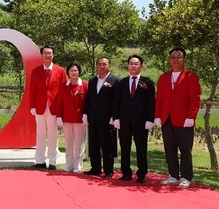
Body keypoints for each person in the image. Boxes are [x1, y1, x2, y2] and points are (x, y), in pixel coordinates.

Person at [154, 48, 201, 188]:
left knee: (185, 149)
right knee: (170, 148)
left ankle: (186, 177)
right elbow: (160, 99)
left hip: (184, 120)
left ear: (183, 59)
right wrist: (157, 116)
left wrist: (191, 116)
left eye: (179, 57)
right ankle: (173, 175)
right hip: (167, 118)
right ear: (170, 59)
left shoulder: (190, 76)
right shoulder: (163, 78)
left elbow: (195, 99)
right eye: (173, 57)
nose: (176, 59)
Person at [112, 55, 156, 183]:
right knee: (125, 147)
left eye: (136, 64)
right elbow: (116, 102)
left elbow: (151, 103)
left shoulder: (147, 82)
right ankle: (126, 173)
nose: (133, 66)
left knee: (141, 148)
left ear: (141, 66)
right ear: (127, 65)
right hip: (124, 121)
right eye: (131, 63)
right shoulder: (122, 82)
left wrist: (150, 119)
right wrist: (116, 118)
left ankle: (141, 174)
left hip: (141, 121)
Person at [29, 45, 67, 169]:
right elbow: (32, 90)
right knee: (40, 134)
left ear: (53, 55)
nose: (47, 55)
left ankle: (52, 161)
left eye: (49, 53)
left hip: (53, 107)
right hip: (39, 106)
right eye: (45, 53)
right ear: (41, 55)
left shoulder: (60, 71)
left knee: (53, 134)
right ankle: (39, 160)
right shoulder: (36, 71)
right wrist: (32, 106)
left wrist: (61, 109)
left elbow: (63, 91)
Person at [83, 57, 121, 178]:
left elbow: (117, 101)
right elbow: (89, 99)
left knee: (107, 146)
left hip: (107, 119)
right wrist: (85, 113)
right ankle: (95, 168)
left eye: (104, 64)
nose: (101, 66)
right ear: (96, 66)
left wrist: (114, 117)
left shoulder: (115, 81)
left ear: (110, 66)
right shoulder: (93, 80)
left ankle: (108, 170)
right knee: (93, 144)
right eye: (99, 64)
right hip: (93, 118)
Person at [55, 62, 89, 173]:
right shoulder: (63, 85)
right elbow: (59, 102)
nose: (74, 73)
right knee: (69, 143)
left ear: (79, 72)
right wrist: (59, 116)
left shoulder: (84, 85)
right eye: (71, 71)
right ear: (68, 72)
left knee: (79, 143)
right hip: (66, 118)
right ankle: (69, 165)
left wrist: (86, 114)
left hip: (80, 119)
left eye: (76, 70)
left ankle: (78, 165)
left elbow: (88, 102)